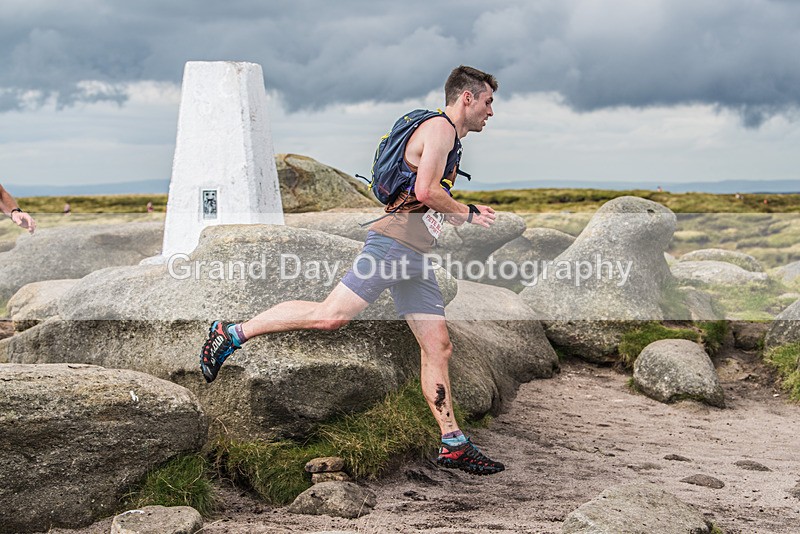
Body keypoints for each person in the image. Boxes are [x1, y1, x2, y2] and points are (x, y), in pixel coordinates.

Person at [198, 66, 504, 475]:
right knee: (330, 316)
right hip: (393, 245)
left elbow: (420, 195)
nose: (490, 111)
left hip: (414, 255)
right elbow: (425, 191)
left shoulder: (442, 135)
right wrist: (465, 211)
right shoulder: (441, 129)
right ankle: (230, 333)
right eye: (487, 102)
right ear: (466, 97)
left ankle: (453, 443)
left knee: (438, 346)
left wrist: (444, 214)